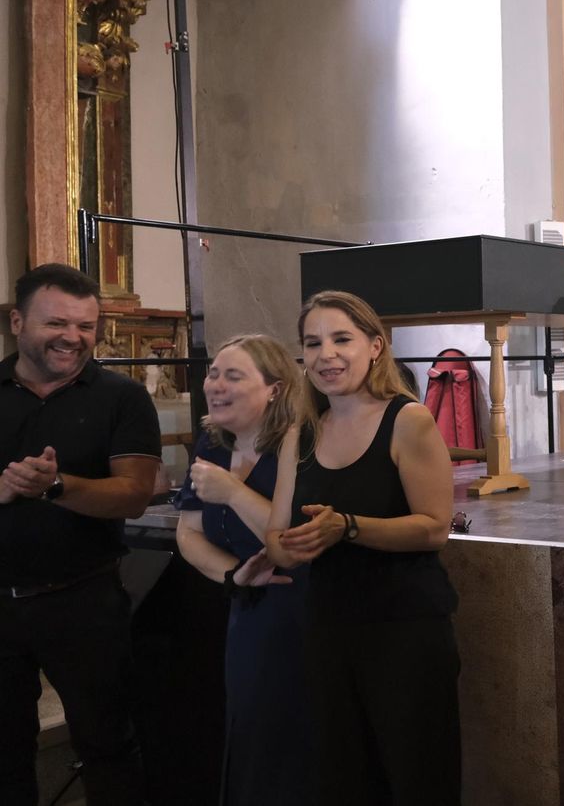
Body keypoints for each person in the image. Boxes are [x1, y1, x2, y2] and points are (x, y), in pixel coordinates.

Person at [266, 290, 460, 806]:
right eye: (313, 343)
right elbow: (276, 533)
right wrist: (289, 547)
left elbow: (434, 528)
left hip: (404, 630)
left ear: (376, 346)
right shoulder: (299, 433)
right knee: (344, 780)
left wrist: (347, 527)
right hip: (327, 628)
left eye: (341, 339)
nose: (326, 354)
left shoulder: (408, 420)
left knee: (417, 779)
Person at [0, 263, 161, 805]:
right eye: (57, 323)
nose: (73, 337)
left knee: (108, 746)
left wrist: (56, 486)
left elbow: (135, 493)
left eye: (86, 326)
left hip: (84, 602)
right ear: (17, 321)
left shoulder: (122, 397)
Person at [173, 334, 310, 805]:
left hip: (305, 612)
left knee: (299, 743)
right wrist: (235, 575)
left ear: (274, 388)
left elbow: (289, 535)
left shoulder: (299, 443)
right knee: (250, 733)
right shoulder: (212, 447)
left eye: (233, 376)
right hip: (249, 610)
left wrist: (233, 492)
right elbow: (188, 533)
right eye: (214, 374)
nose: (216, 385)